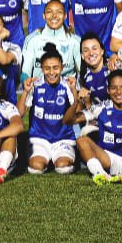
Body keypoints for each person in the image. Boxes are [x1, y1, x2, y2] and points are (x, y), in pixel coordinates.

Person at [19, 46, 78, 175]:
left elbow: (76, 111)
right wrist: (25, 92)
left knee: (63, 168)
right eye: (47, 68)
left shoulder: (68, 85)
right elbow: (20, 113)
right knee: (36, 169)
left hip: (63, 138)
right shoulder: (35, 85)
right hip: (39, 138)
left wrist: (74, 90)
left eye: (56, 68)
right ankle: (43, 157)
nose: (52, 72)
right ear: (42, 69)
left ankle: (61, 157)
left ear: (62, 67)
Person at [20, 0, 80, 81]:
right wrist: (27, 83)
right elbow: (25, 73)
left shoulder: (75, 41)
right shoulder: (32, 40)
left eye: (59, 12)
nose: (54, 16)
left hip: (67, 92)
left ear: (65, 16)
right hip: (38, 92)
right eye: (49, 12)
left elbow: (83, 71)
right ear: (44, 16)